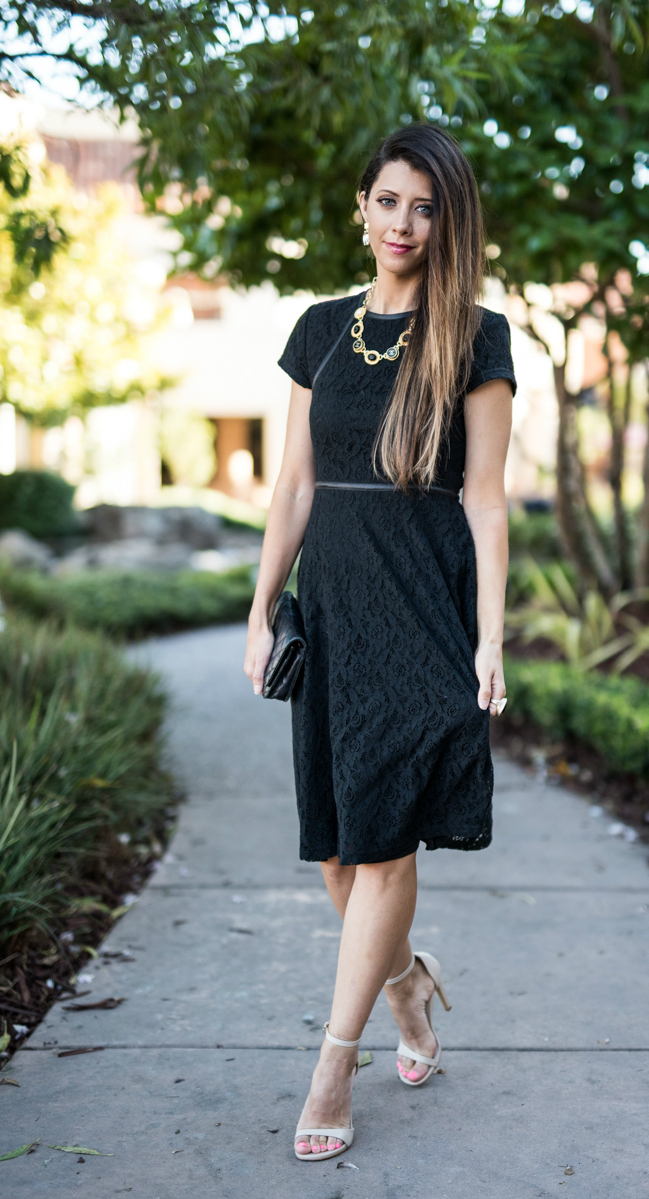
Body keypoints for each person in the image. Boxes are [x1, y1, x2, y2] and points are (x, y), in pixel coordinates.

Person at [243, 123, 515, 1162]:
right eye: (387, 201)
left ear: (447, 220)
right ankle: (405, 983)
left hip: (425, 602)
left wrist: (490, 637)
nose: (403, 222)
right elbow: (294, 486)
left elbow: (485, 502)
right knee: (336, 847)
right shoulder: (317, 328)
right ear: (360, 208)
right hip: (337, 603)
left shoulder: (475, 336)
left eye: (425, 205)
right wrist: (262, 606)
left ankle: (332, 1060)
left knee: (385, 838)